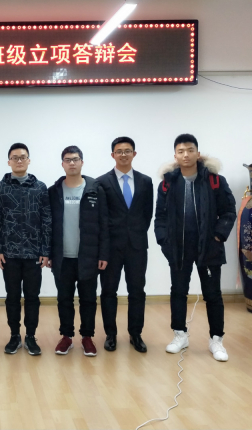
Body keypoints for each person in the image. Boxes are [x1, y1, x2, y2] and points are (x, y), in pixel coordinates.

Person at [155, 134, 236, 362]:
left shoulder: (214, 180)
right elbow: (160, 217)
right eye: (181, 151)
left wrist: (218, 236)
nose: (186, 155)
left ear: (198, 154)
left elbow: (229, 211)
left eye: (190, 150)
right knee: (178, 292)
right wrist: (164, 241)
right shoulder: (167, 183)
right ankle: (180, 335)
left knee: (213, 295)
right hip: (178, 248)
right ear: (175, 156)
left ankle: (216, 339)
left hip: (209, 247)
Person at [0, 143, 51, 356]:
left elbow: (46, 220)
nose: (19, 160)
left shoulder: (40, 188)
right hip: (9, 254)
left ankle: (31, 336)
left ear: (28, 160)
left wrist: (45, 250)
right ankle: (15, 335)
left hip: (34, 254)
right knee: (12, 297)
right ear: (9, 161)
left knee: (33, 297)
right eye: (14, 157)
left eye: (22, 157)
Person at [48, 145, 109, 357]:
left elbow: (104, 224)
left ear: (82, 162)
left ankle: (87, 337)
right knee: (64, 299)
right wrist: (49, 253)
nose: (72, 163)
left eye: (75, 159)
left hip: (88, 257)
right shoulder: (54, 192)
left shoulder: (95, 190)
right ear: (62, 164)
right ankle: (66, 337)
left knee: (88, 299)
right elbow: (48, 225)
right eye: (68, 160)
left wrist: (103, 254)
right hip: (62, 257)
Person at [97, 137, 153, 353]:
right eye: (119, 151)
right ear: (113, 155)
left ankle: (135, 334)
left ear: (134, 154)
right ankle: (110, 334)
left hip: (137, 246)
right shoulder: (102, 182)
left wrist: (135, 234)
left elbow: (147, 214)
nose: (123, 155)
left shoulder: (146, 181)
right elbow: (102, 217)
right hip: (110, 248)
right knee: (108, 291)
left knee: (137, 291)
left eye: (127, 151)